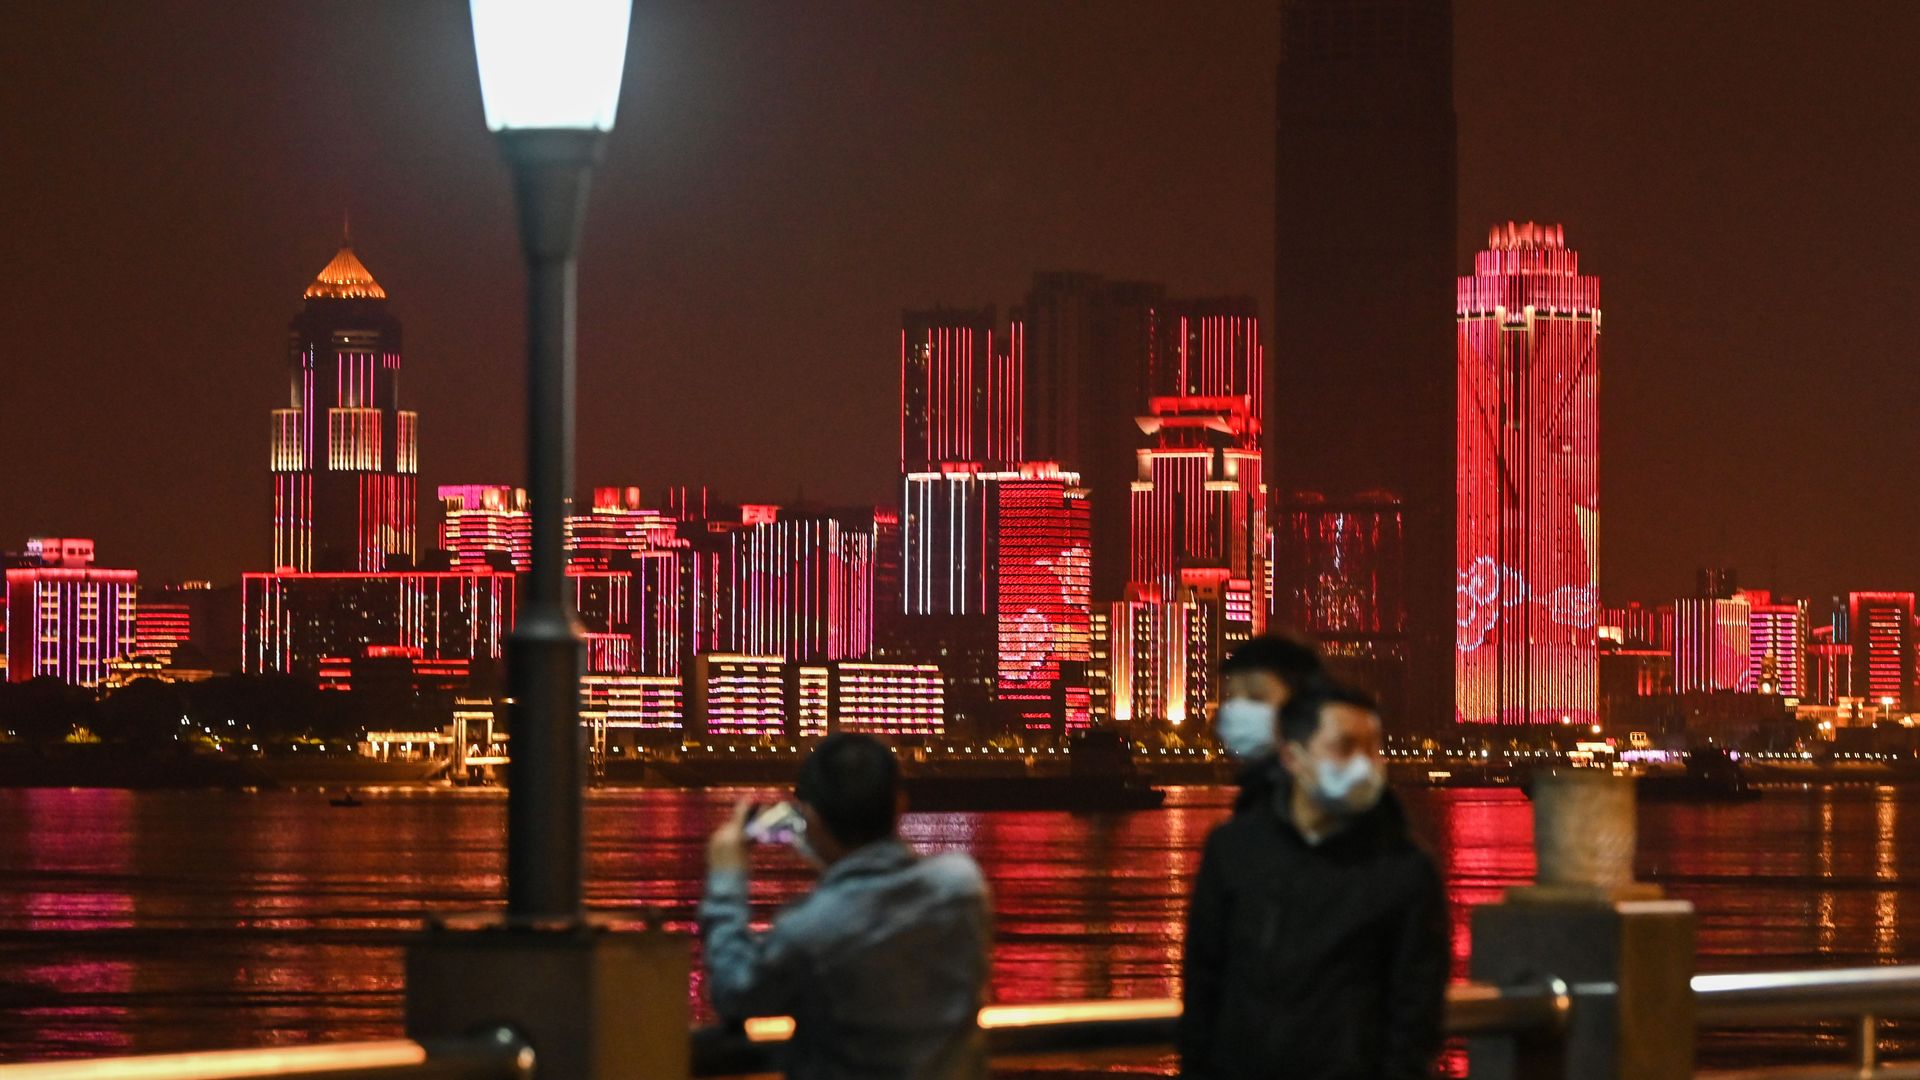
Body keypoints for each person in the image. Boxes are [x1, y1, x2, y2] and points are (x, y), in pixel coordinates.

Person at [1181, 681, 1448, 1080]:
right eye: (1344, 747)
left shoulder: (1404, 869)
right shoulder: (1234, 852)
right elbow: (1203, 986)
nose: (1364, 765)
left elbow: (1416, 1014)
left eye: (1372, 748)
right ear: (1293, 756)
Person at [701, 733, 992, 1080]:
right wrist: (827, 853)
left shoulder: (808, 928)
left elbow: (735, 994)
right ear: (899, 804)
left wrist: (726, 876)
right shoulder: (963, 888)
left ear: (812, 817)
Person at [1212, 632, 1325, 813]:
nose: (1238, 710)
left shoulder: (1341, 808)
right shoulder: (1251, 806)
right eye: (1231, 697)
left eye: (1257, 698)